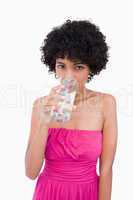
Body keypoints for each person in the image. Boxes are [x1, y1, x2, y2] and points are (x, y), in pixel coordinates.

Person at [25, 19, 118, 200]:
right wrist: (44, 121)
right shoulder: (41, 105)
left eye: (78, 67)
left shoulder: (106, 103)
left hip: (88, 193)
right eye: (62, 66)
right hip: (49, 193)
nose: (68, 76)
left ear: (91, 68)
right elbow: (31, 172)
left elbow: (106, 169)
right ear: (54, 66)